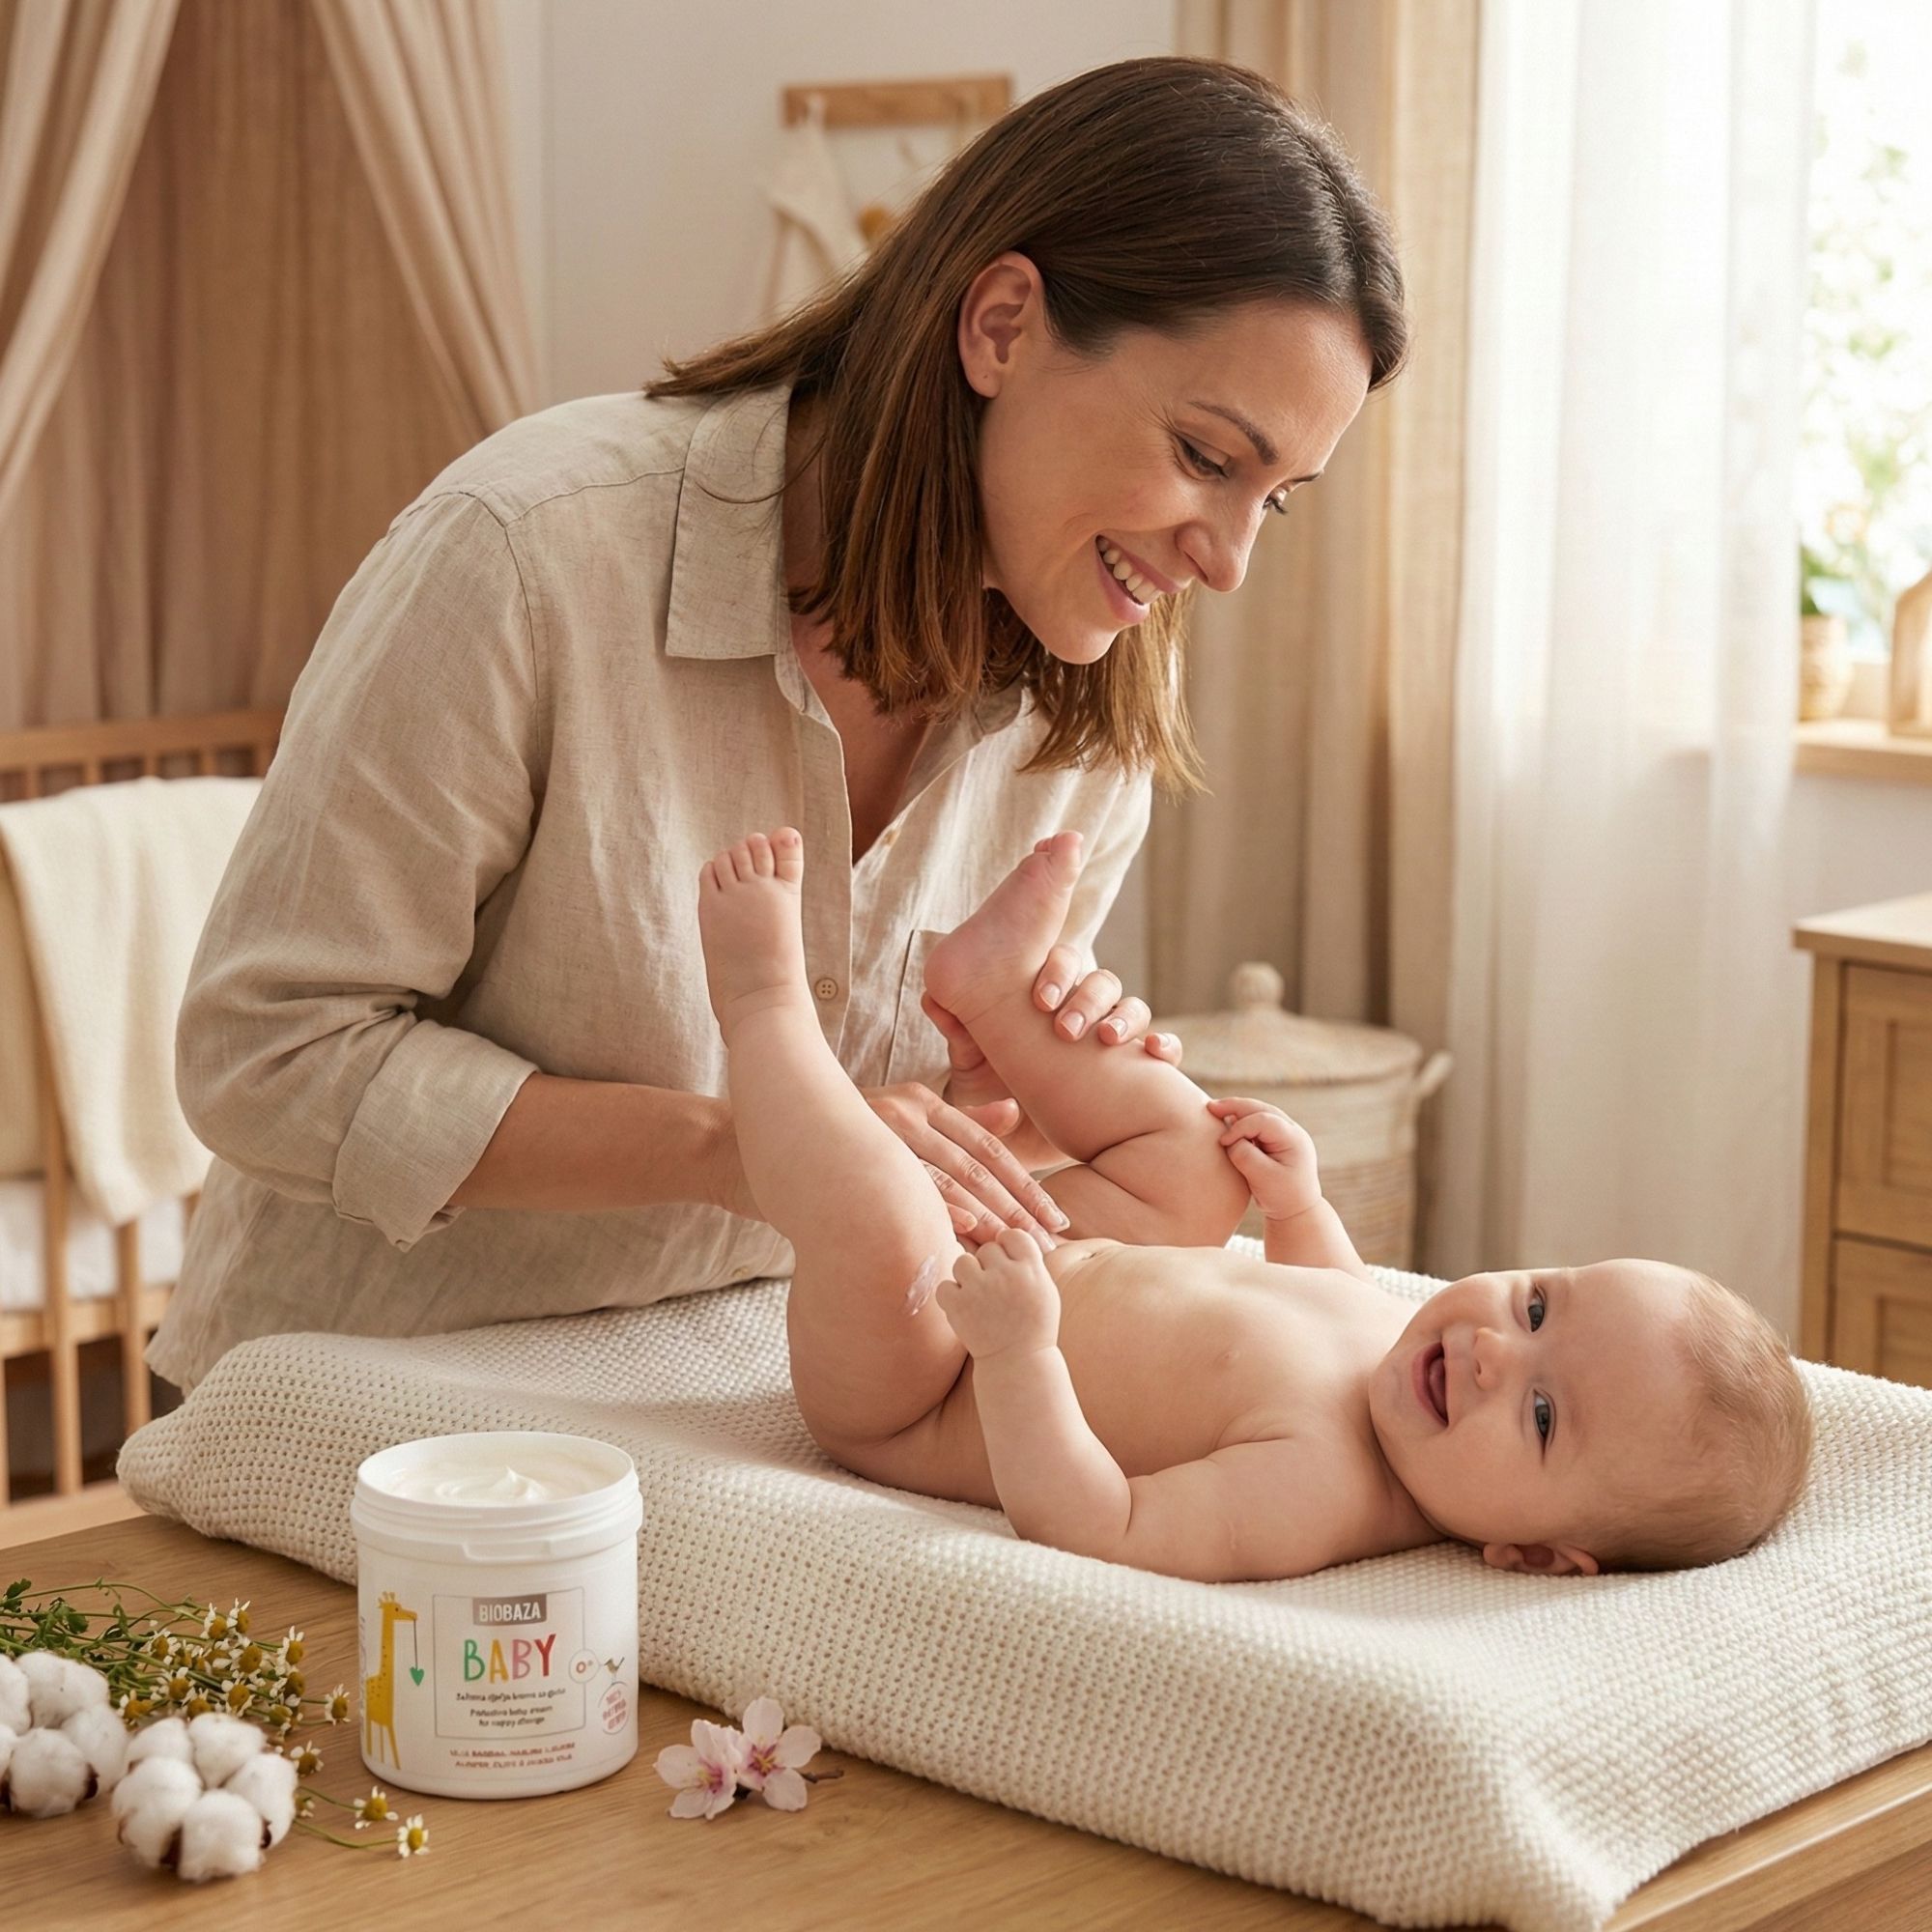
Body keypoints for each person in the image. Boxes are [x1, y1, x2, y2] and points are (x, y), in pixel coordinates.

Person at [154, 56, 1405, 1391]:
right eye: (1209, 459)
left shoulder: (1084, 736)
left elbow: (923, 1166)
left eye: (1275, 499)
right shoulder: (530, 555)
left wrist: (1043, 1096)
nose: (1224, 563)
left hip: (736, 1401)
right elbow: (266, 1058)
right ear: (1002, 326)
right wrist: (743, 1144)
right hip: (362, 1405)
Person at [697, 823, 1815, 1584]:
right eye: (1534, 1309)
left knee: (886, 1216)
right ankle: (994, 995)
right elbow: (1324, 1292)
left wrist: (1018, 1353)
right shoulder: (1405, 1352)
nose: (1487, 1353)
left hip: (924, 1375)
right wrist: (1294, 1203)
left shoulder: (1317, 1491)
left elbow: (1093, 1522)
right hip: (1047, 1253)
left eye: (1538, 1415)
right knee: (1201, 1162)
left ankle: (760, 1003)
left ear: (1530, 1555)